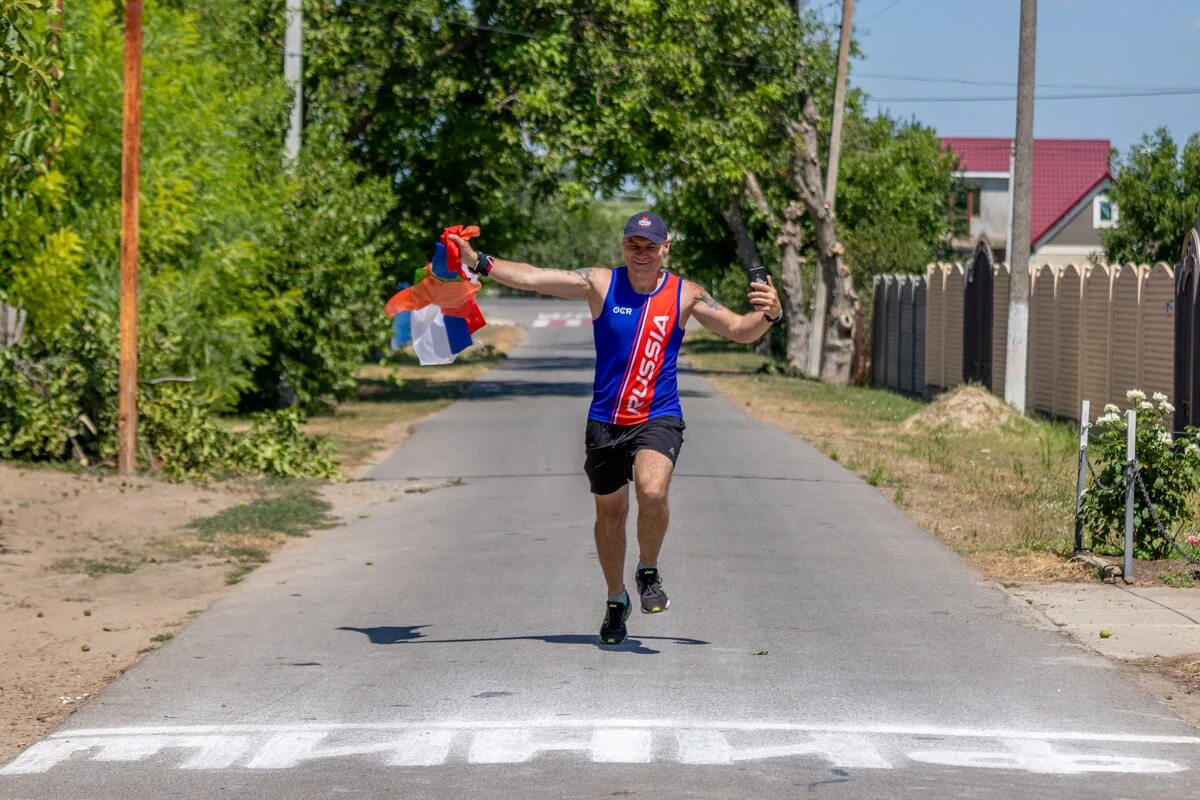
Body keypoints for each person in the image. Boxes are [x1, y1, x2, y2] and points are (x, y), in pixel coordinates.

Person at [450, 212, 782, 645]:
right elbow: (533, 277)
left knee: (652, 489)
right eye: (633, 244)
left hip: (658, 416)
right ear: (623, 246)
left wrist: (770, 315)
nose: (640, 253)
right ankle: (615, 599)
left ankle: (648, 570)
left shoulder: (687, 295)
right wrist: (479, 262)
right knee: (610, 513)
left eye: (649, 246)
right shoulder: (600, 283)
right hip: (606, 421)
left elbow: (740, 330)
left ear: (665, 249)